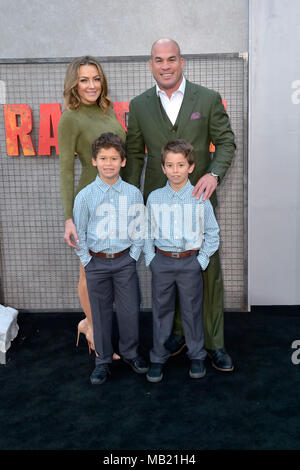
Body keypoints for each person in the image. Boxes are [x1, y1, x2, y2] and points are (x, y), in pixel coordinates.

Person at [122, 38, 236, 372]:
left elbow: (226, 141)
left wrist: (214, 174)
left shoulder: (208, 98)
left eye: (171, 59)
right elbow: (132, 155)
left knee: (206, 271)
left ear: (181, 62)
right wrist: (130, 200)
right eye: (159, 60)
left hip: (197, 199)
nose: (166, 66)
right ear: (150, 65)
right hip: (157, 205)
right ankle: (175, 335)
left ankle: (213, 343)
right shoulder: (140, 105)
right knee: (165, 273)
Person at [58, 56, 126, 356]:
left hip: (116, 198)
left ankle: (90, 323)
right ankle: (94, 330)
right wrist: (68, 218)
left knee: (110, 266)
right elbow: (64, 170)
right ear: (75, 83)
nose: (91, 85)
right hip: (88, 201)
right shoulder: (70, 118)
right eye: (84, 80)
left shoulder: (108, 111)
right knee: (89, 269)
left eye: (96, 78)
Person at [73, 132, 148, 384]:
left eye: (114, 158)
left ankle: (130, 352)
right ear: (94, 161)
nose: (108, 163)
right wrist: (87, 260)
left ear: (123, 162)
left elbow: (139, 228)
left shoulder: (133, 193)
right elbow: (79, 233)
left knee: (129, 311)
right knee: (100, 312)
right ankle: (103, 360)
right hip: (96, 263)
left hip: (125, 261)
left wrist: (133, 256)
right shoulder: (84, 196)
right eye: (103, 158)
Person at [144, 139, 220, 382]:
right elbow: (146, 232)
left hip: (190, 263)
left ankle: (197, 355)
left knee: (192, 311)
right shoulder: (155, 198)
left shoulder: (200, 196)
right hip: (162, 262)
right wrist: (151, 260)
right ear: (163, 167)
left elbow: (212, 232)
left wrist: (202, 260)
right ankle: (158, 357)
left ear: (190, 166)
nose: (175, 170)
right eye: (170, 165)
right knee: (161, 312)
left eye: (180, 165)